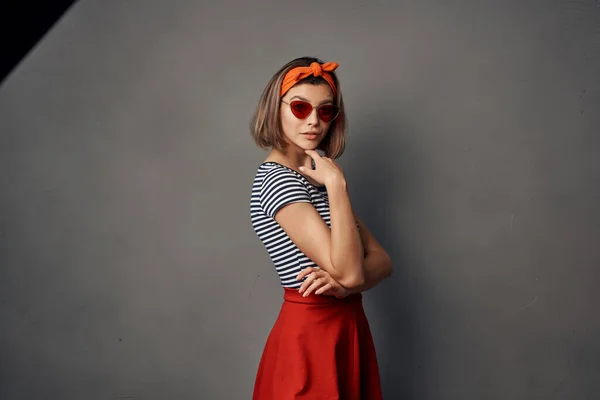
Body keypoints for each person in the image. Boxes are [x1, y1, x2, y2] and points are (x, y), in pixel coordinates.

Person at [249, 56, 393, 399]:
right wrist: (338, 186)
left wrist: (344, 288)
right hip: (311, 336)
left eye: (325, 111)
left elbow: (383, 261)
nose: (314, 121)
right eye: (300, 108)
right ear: (276, 109)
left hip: (347, 328)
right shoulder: (278, 181)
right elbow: (353, 271)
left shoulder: (316, 178)